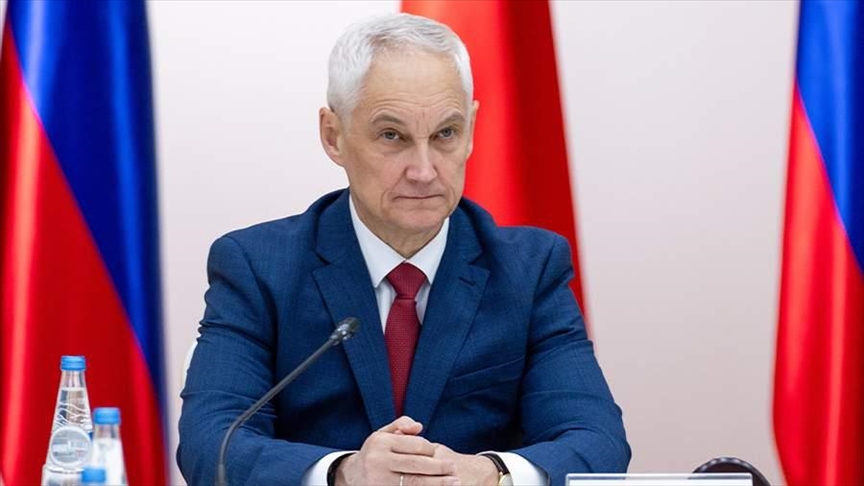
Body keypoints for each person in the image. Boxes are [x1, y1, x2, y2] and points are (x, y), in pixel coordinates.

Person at [178, 13, 630, 486]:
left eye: (445, 134)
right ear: (333, 135)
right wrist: (343, 473)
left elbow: (597, 442)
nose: (424, 171)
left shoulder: (529, 269)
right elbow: (212, 443)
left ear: (472, 129)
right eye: (392, 136)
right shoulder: (258, 267)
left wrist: (489, 473)